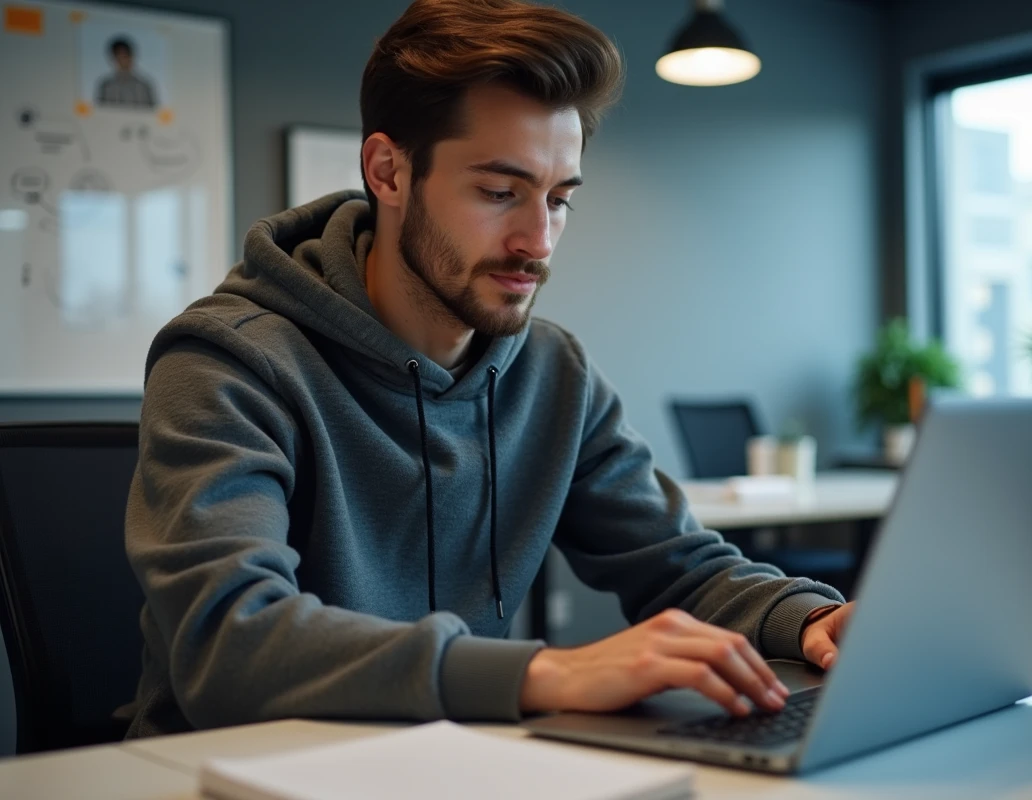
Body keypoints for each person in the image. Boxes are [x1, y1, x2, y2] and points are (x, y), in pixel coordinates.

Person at [122, 0, 855, 739]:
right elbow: (229, 643)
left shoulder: (554, 372)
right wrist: (550, 673)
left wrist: (811, 620)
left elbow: (679, 566)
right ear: (388, 172)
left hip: (452, 760)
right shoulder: (230, 363)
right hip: (230, 769)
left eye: (558, 200)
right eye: (500, 193)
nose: (538, 240)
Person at [96, 36, 157, 110]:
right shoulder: (106, 86)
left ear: (131, 56)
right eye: (119, 56)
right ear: (113, 58)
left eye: (125, 56)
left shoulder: (144, 86)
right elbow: (100, 111)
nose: (122, 60)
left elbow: (153, 112)